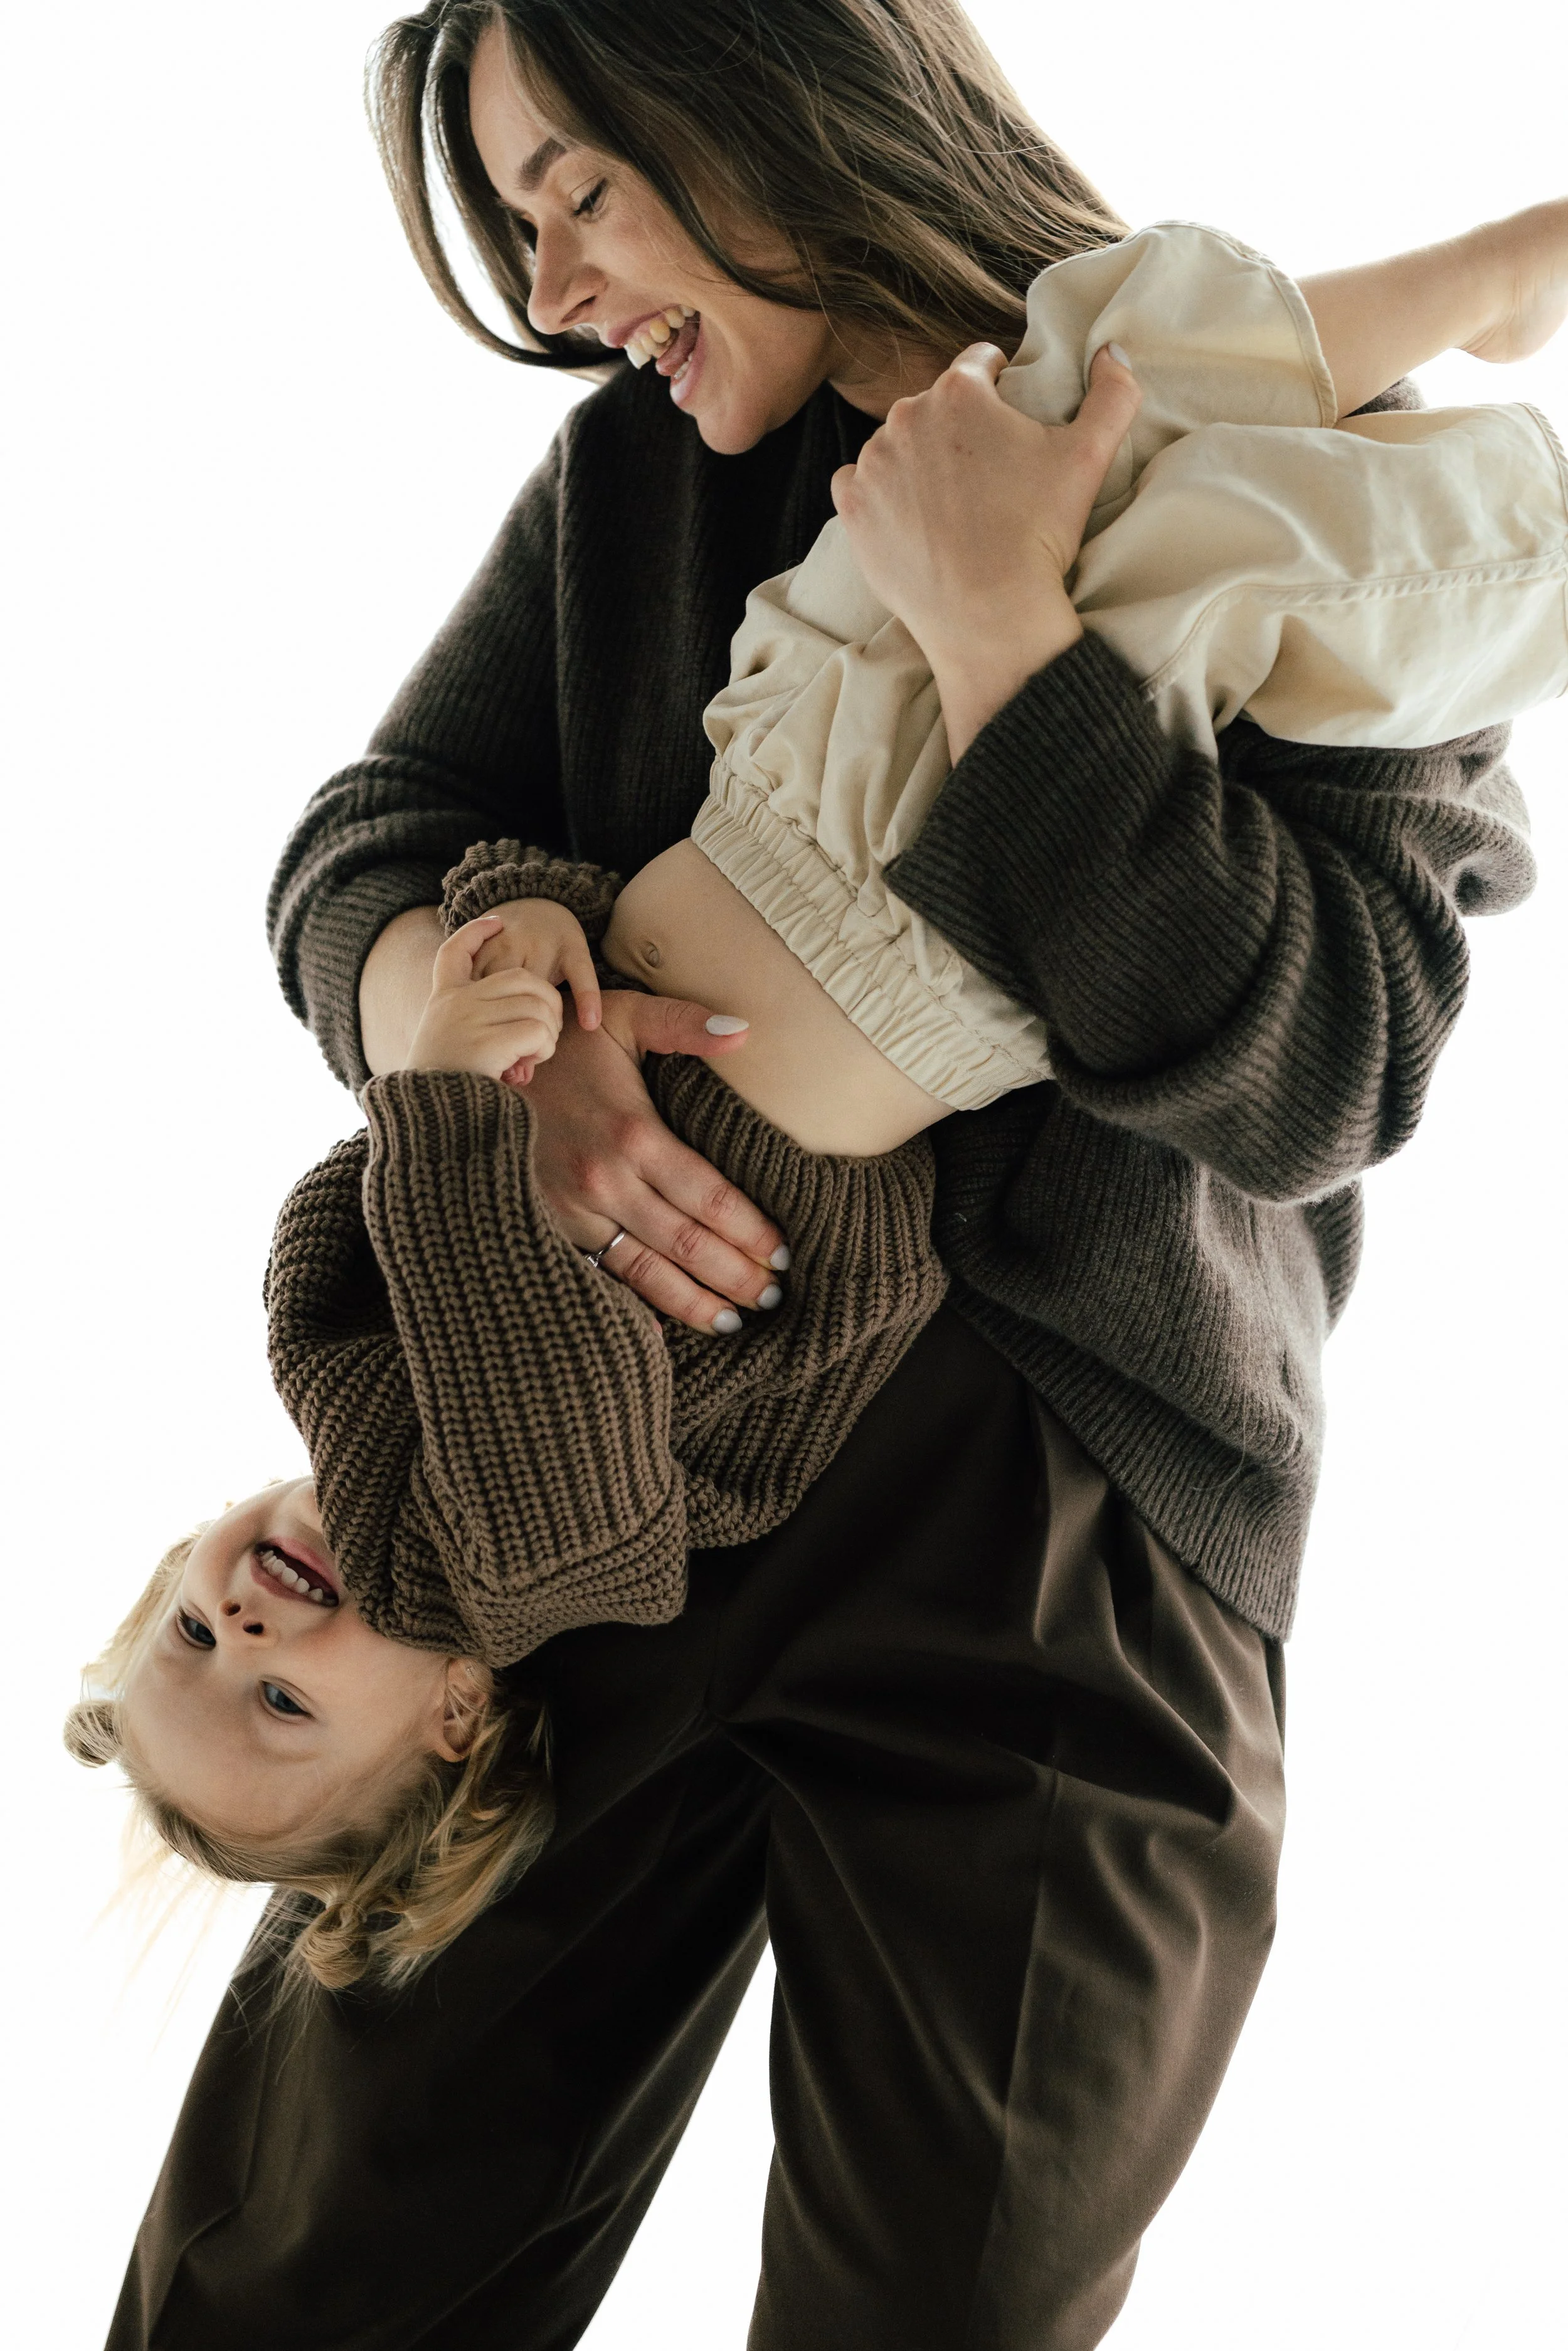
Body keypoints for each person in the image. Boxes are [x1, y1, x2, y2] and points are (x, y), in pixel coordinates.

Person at [105, 4, 1538, 2345]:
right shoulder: (641, 477)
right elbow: (365, 841)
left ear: (764, 98)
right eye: (524, 224)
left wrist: (1003, 644)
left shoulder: (1299, 473)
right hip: (584, 1495)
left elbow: (1319, 1068)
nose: (556, 289)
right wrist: (487, 1021)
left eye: (580, 190)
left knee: (946, 2295)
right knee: (295, 2274)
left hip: (1071, 1540)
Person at [68, 879, 945, 1999]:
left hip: (707, 948)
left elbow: (415, 1148)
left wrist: (524, 939)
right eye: (281, 1700)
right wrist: (446, 1099)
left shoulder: (325, 1358)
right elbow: (550, 1361)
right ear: (456, 1713)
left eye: (193, 1631)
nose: (241, 1630)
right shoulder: (519, 1576)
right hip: (843, 1050)